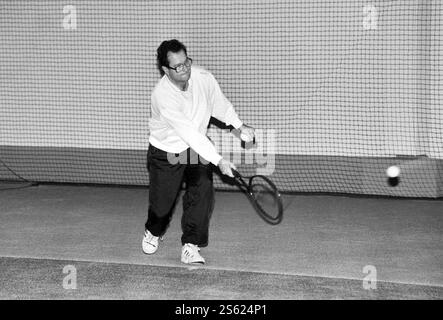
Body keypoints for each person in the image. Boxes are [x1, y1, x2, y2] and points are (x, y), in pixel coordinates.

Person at [142, 39, 255, 264]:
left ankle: (191, 245)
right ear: (165, 69)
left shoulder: (203, 78)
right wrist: (219, 160)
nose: (184, 69)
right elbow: (190, 134)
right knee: (162, 205)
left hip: (196, 149)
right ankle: (154, 230)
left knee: (202, 190)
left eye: (186, 62)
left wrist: (239, 125)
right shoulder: (163, 95)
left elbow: (219, 104)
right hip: (167, 151)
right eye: (178, 66)